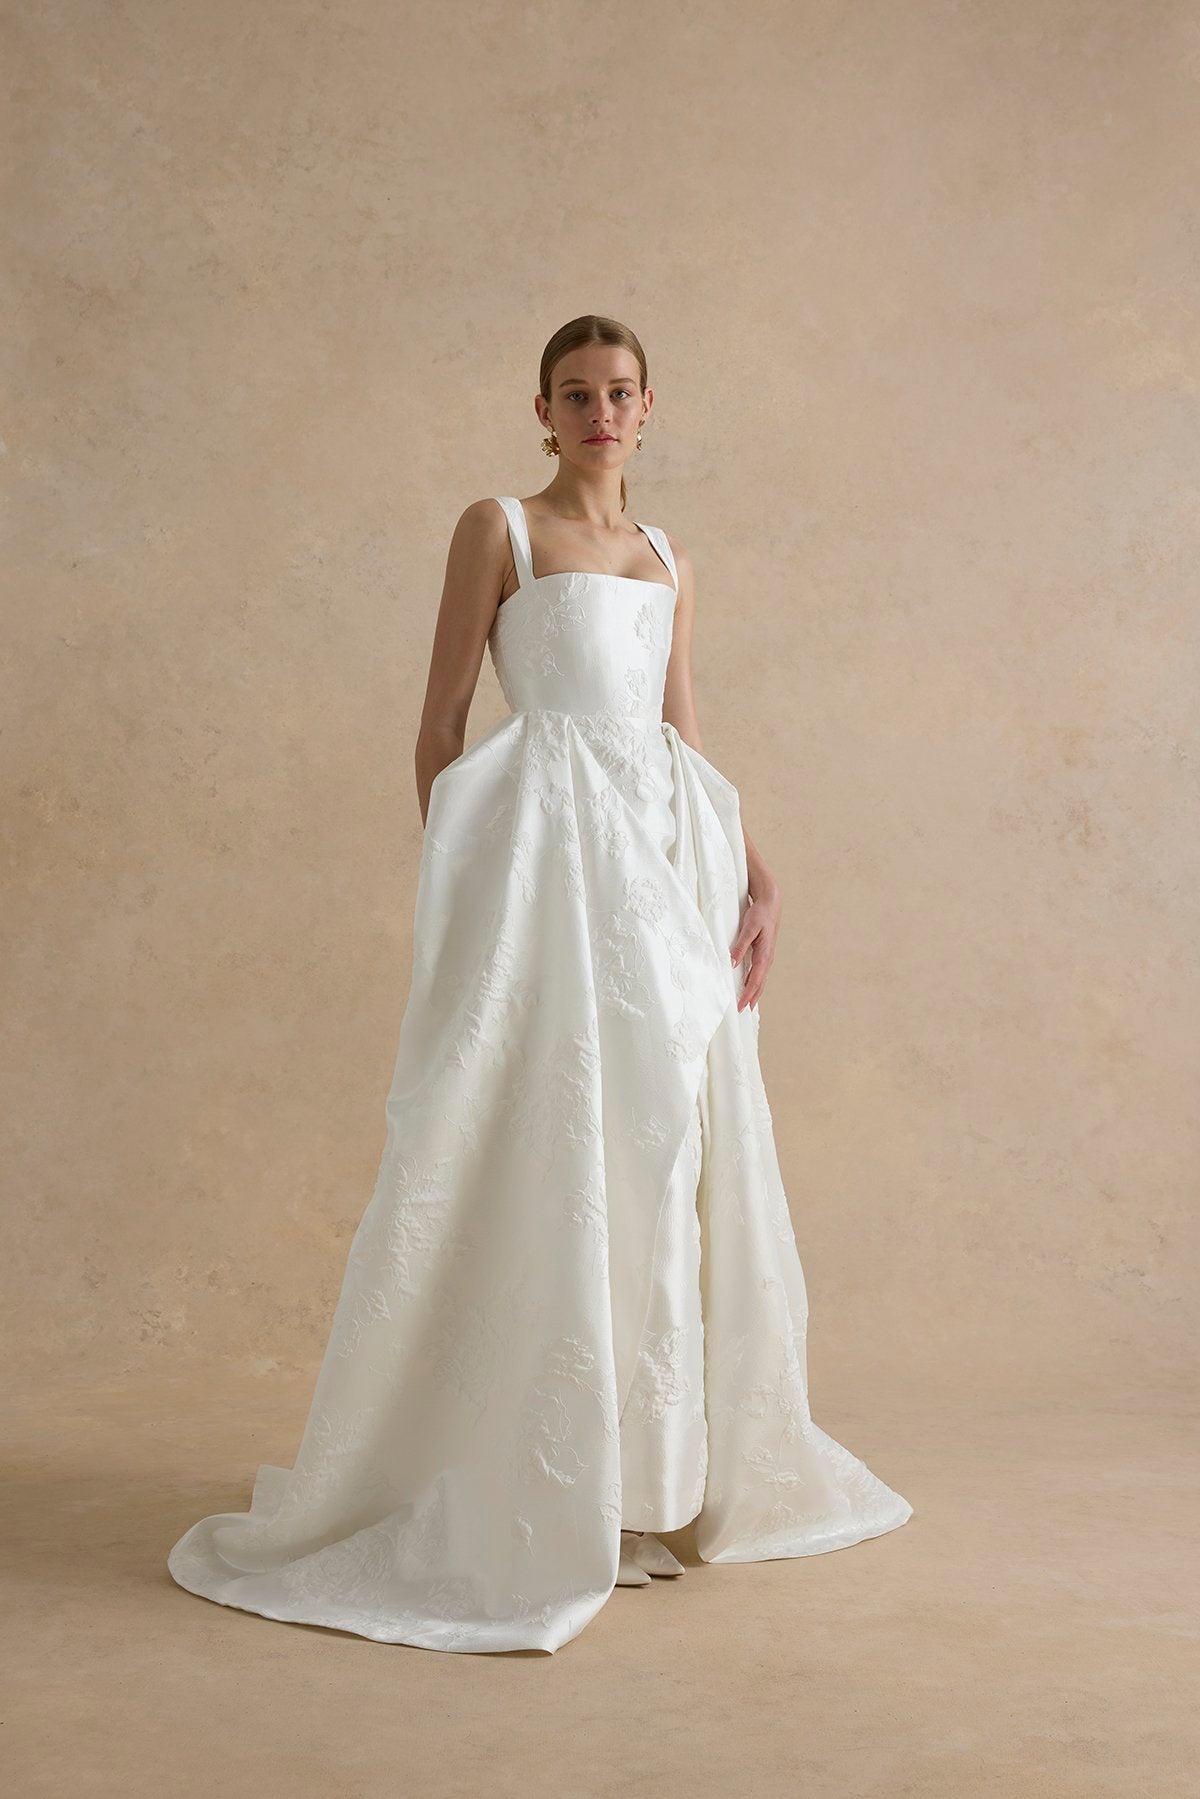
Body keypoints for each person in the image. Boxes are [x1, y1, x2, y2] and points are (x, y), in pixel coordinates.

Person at [167, 314, 913, 1654]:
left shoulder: (671, 556)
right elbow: (443, 717)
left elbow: (682, 728)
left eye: (621, 391)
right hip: (546, 862)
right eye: (577, 393)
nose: (601, 411)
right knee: (558, 1140)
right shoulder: (498, 527)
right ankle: (545, 1484)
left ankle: (641, 1489)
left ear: (647, 407)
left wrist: (759, 869)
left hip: (664, 861)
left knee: (663, 1144)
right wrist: (460, 882)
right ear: (544, 409)